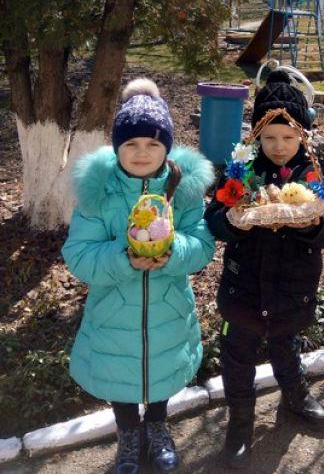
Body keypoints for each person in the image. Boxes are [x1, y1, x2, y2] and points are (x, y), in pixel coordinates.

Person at [62, 78, 215, 474]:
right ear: (117, 148)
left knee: (163, 372)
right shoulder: (100, 194)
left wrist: (173, 251)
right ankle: (129, 433)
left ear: (166, 146)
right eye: (131, 144)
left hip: (168, 309)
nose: (142, 153)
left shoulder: (182, 190)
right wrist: (123, 256)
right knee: (121, 377)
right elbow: (78, 254)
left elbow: (202, 244)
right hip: (114, 312)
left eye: (152, 144)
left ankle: (158, 426)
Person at [205, 69, 324, 469]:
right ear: (255, 137)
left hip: (292, 288)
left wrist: (313, 224)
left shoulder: (316, 175)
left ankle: (295, 397)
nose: (279, 146)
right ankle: (240, 425)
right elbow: (214, 218)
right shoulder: (241, 172)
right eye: (269, 138)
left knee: (287, 345)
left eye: (288, 137)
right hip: (244, 288)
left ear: (303, 135)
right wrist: (234, 221)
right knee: (238, 357)